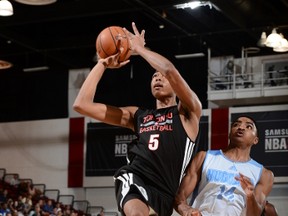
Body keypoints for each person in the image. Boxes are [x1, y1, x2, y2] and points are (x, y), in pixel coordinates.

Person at [73, 22, 202, 216]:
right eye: (153, 76)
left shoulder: (188, 112)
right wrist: (102, 64)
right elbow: (81, 104)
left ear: (176, 87)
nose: (158, 78)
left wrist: (138, 49)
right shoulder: (138, 115)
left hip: (165, 193)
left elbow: (169, 70)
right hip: (136, 176)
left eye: (162, 77)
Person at [174, 116, 274, 216]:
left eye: (248, 127)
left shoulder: (264, 174)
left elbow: (254, 215)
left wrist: (250, 195)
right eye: (236, 125)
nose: (241, 127)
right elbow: (180, 198)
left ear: (255, 140)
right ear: (229, 134)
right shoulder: (204, 157)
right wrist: (186, 210)